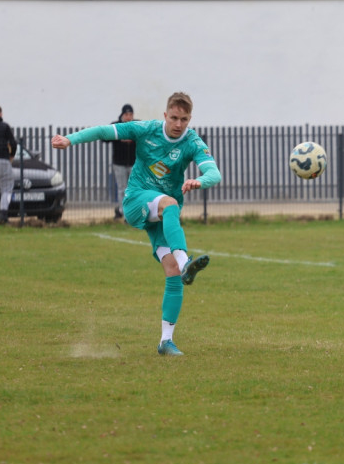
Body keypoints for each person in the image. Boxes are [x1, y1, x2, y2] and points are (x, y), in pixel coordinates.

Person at [51, 92, 220, 356]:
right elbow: (103, 131)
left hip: (163, 215)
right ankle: (186, 260)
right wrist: (70, 139)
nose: (178, 124)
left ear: (189, 119)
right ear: (165, 115)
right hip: (136, 201)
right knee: (170, 205)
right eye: (174, 118)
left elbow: (214, 172)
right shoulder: (146, 129)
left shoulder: (192, 141)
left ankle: (166, 341)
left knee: (172, 272)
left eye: (184, 119)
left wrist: (200, 180)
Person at [110, 104, 137, 219]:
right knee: (122, 188)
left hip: (133, 163)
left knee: (133, 189)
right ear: (122, 115)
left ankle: (131, 212)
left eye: (131, 114)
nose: (129, 117)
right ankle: (124, 213)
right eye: (126, 114)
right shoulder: (116, 126)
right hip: (119, 164)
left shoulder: (136, 126)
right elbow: (104, 138)